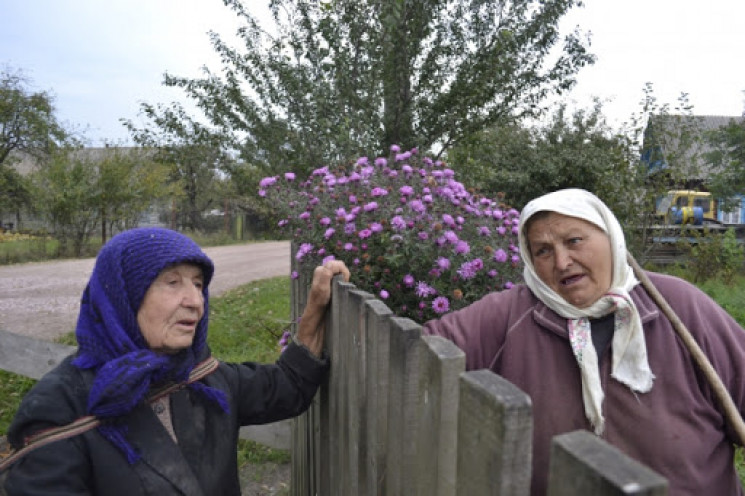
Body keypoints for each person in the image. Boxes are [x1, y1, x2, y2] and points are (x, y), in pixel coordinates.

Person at [423, 188, 745, 495]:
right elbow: (418, 351)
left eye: (574, 240)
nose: (562, 262)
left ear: (611, 237)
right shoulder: (510, 315)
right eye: (543, 251)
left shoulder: (679, 307)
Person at [2, 227, 349, 495]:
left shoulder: (202, 379)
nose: (195, 301)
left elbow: (288, 387)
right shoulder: (60, 409)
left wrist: (316, 305)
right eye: (172, 282)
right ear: (123, 296)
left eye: (198, 284)